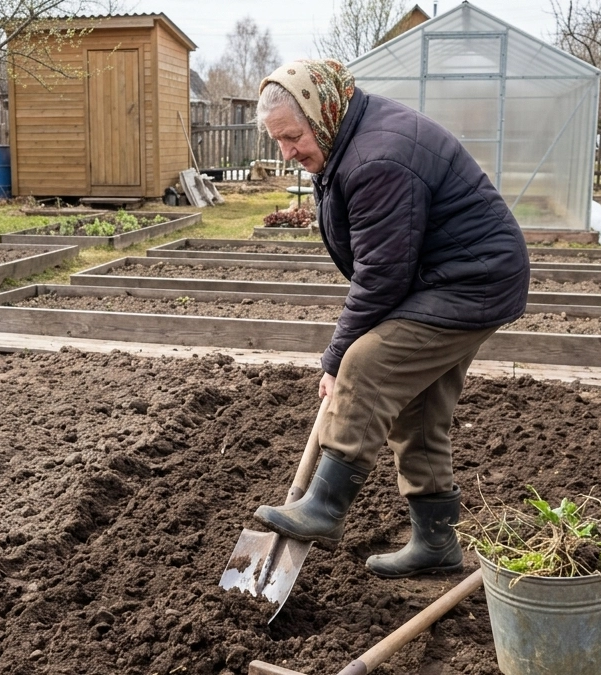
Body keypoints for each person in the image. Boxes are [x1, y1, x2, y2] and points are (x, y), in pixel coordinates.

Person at [250, 59, 530, 579]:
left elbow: (381, 275)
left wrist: (336, 358)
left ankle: (324, 508)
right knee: (418, 407)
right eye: (279, 142)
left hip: (470, 281)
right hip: (449, 276)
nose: (287, 153)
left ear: (322, 112)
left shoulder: (378, 157)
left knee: (366, 365)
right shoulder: (347, 139)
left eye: (292, 137)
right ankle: (437, 542)